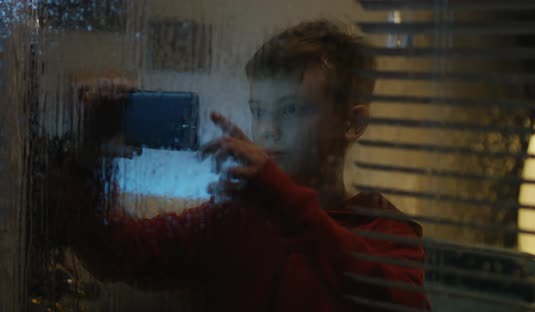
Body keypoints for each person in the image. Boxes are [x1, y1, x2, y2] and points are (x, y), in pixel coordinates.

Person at [61, 20, 431, 311]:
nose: (267, 130)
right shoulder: (239, 217)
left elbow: (403, 304)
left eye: (290, 109)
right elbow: (113, 253)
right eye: (258, 110)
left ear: (353, 124)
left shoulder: (386, 230)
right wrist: (91, 155)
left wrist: (284, 202)